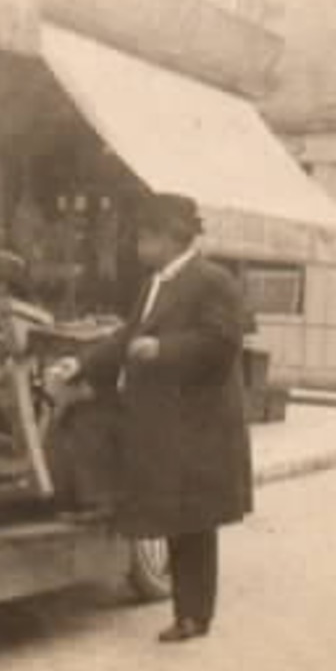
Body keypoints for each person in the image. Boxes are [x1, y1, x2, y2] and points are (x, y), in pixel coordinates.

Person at [56, 193, 253, 644]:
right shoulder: (154, 283)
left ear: (171, 238)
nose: (139, 245)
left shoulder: (213, 280)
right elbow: (128, 336)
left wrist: (163, 349)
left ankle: (194, 616)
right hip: (168, 424)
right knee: (179, 514)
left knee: (195, 521)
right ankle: (189, 612)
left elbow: (222, 344)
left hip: (197, 424)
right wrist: (82, 364)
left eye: (146, 237)